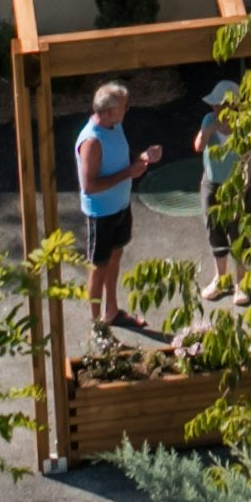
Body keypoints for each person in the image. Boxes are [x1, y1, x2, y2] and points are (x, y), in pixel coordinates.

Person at [70, 80, 162, 338]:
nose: (127, 109)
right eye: (123, 106)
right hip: (101, 214)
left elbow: (121, 157)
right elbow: (89, 185)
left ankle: (111, 311)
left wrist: (142, 158)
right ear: (108, 111)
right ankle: (97, 326)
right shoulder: (91, 141)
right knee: (98, 267)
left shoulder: (114, 125)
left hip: (120, 206)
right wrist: (128, 173)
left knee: (115, 256)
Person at [194, 78, 251, 308]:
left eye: (220, 104)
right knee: (215, 230)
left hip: (237, 186)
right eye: (215, 105)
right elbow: (198, 147)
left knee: (239, 233)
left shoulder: (244, 124)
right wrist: (206, 131)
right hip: (212, 182)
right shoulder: (209, 120)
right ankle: (221, 278)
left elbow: (250, 156)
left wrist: (245, 185)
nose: (216, 108)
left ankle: (241, 283)